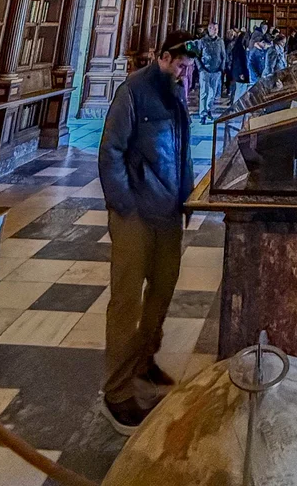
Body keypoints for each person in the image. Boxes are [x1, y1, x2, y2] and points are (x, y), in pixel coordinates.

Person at [98, 38, 196, 434]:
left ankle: (144, 360)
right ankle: (117, 391)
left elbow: (183, 151)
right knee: (126, 299)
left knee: (163, 288)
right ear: (163, 58)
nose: (184, 72)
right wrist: (124, 205)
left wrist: (186, 199)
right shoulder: (132, 92)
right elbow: (111, 152)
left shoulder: (175, 94)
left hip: (168, 211)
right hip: (136, 213)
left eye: (189, 67)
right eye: (179, 65)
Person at [195, 21, 225, 124]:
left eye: (217, 29)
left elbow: (223, 55)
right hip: (205, 70)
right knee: (204, 92)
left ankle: (208, 109)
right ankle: (202, 114)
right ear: (209, 29)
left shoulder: (220, 41)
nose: (216, 31)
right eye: (214, 29)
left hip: (216, 71)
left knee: (212, 94)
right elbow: (196, 55)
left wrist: (222, 68)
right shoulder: (202, 41)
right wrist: (200, 68)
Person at [227, 28, 250, 102]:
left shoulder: (240, 47)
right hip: (240, 73)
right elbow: (238, 61)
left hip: (241, 72)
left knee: (241, 91)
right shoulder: (239, 47)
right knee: (239, 92)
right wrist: (241, 73)